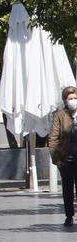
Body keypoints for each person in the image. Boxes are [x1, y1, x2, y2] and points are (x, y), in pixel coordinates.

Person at [46, 86, 77, 227]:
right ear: (65, 100)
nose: (73, 101)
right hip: (66, 158)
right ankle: (69, 215)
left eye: (75, 98)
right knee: (67, 188)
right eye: (70, 98)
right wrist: (56, 158)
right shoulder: (60, 115)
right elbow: (53, 138)